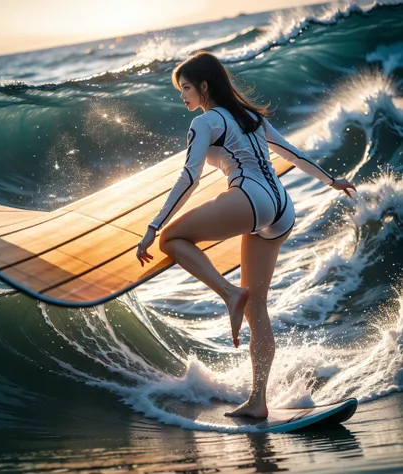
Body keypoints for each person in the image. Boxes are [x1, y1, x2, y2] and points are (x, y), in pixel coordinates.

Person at [136, 51, 356, 419]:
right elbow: (292, 153)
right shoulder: (250, 115)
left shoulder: (205, 123)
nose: (182, 95)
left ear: (204, 86)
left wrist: (153, 226)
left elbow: (188, 179)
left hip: (250, 199)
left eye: (186, 88)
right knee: (258, 309)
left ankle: (228, 292)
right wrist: (331, 181)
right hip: (282, 208)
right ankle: (258, 401)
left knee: (170, 241)